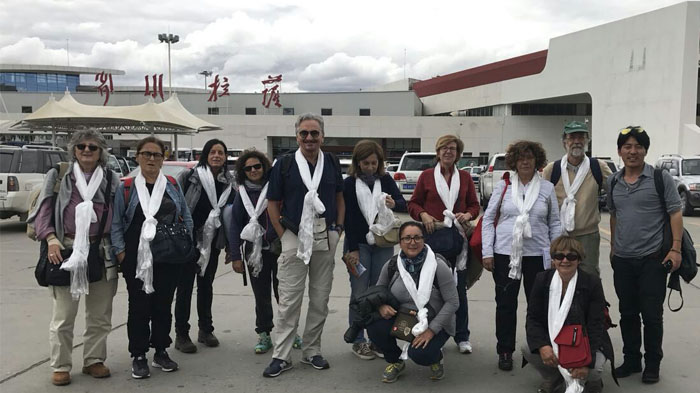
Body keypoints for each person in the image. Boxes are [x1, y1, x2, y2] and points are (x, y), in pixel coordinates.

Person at [28, 129, 119, 386]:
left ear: (101, 152)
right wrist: (50, 239)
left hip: (101, 250)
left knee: (100, 314)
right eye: (81, 147)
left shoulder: (111, 178)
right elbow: (43, 210)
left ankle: (93, 360)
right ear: (74, 150)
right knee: (64, 315)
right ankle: (61, 365)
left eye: (93, 147)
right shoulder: (59, 174)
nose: (87, 151)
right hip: (65, 247)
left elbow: (119, 215)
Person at [263, 113, 345, 377]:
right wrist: (282, 234)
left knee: (320, 299)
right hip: (294, 237)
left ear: (323, 136)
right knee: (289, 300)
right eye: (304, 133)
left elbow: (339, 198)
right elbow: (272, 203)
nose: (309, 138)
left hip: (325, 236)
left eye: (314, 133)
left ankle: (311, 350)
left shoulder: (331, 162)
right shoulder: (284, 164)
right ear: (296, 135)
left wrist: (338, 228)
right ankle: (282, 355)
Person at [111, 136, 194, 379]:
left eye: (156, 154)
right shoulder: (126, 187)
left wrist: (187, 243)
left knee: (163, 305)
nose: (151, 158)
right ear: (137, 157)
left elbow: (185, 215)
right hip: (136, 257)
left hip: (169, 257)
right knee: (139, 307)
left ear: (163, 158)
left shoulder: (171, 184)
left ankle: (160, 350)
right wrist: (120, 251)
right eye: (146, 154)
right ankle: (138, 355)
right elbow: (116, 223)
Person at [607, 126, 682, 384]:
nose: (633, 151)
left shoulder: (660, 178)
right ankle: (631, 360)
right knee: (627, 313)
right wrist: (615, 249)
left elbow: (675, 213)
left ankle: (652, 364)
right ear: (619, 151)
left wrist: (675, 248)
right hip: (623, 261)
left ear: (645, 150)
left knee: (651, 315)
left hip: (653, 259)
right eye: (627, 146)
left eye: (638, 146)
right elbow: (614, 215)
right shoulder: (613, 181)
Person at [481, 140, 561, 371]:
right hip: (505, 253)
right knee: (505, 304)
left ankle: (537, 349)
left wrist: (556, 252)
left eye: (530, 157)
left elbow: (554, 222)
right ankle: (505, 350)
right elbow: (488, 219)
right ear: (514, 162)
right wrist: (488, 251)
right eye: (521, 158)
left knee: (538, 305)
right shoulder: (503, 186)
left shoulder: (546, 188)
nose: (525, 161)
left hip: (538, 254)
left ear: (537, 161)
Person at [407, 134, 479, 355]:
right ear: (437, 152)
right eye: (444, 148)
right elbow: (413, 203)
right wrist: (424, 215)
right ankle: (428, 332)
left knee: (458, 291)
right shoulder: (427, 176)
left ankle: (462, 335)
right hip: (433, 239)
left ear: (458, 154)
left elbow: (475, 206)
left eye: (453, 148)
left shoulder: (465, 177)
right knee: (428, 290)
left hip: (458, 242)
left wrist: (467, 214)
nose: (448, 151)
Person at [367, 221, 458, 383]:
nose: (412, 242)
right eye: (407, 238)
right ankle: (395, 361)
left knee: (421, 355)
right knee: (374, 325)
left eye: (417, 237)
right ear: (400, 242)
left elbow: (453, 302)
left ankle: (435, 357)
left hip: (434, 321)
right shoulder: (392, 265)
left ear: (424, 240)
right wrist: (381, 305)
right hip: (403, 319)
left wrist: (431, 330)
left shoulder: (438, 266)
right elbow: (378, 292)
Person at [523, 235, 614, 393]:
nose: (565, 260)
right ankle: (553, 377)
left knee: (595, 369)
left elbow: (595, 325)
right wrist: (543, 345)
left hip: (582, 340)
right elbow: (533, 318)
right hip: (554, 339)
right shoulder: (542, 279)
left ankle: (590, 380)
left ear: (579, 260)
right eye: (559, 256)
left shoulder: (592, 283)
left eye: (571, 256)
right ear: (553, 259)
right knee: (527, 348)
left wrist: (586, 362)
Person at [343, 140, 407, 360]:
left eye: (374, 163)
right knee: (360, 292)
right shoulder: (349, 183)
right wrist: (352, 249)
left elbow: (402, 203)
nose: (370, 167)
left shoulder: (386, 180)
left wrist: (392, 203)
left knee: (381, 292)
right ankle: (358, 340)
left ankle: (377, 339)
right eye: (365, 163)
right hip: (357, 246)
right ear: (357, 163)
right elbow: (348, 218)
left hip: (382, 244)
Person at [174, 139, 236, 353]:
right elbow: (176, 205)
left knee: (206, 286)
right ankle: (181, 334)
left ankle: (205, 330)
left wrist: (229, 245)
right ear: (206, 155)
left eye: (221, 152)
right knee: (184, 288)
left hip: (213, 242)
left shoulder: (229, 182)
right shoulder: (190, 177)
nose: (217, 155)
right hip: (188, 241)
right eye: (213, 152)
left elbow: (230, 215)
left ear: (226, 156)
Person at [228, 149, 287, 354]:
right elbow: (235, 224)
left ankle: (289, 331)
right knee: (261, 295)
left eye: (257, 166)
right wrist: (235, 256)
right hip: (254, 252)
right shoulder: (241, 193)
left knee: (285, 294)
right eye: (248, 168)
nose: (253, 170)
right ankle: (264, 333)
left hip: (278, 248)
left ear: (264, 167)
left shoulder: (276, 188)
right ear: (243, 171)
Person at [542, 121, 612, 277]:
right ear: (564, 142)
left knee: (589, 277)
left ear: (587, 141)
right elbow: (541, 203)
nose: (577, 141)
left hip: (588, 236)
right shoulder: (552, 170)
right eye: (572, 137)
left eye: (581, 137)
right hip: (559, 235)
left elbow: (616, 194)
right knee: (559, 278)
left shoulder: (598, 167)